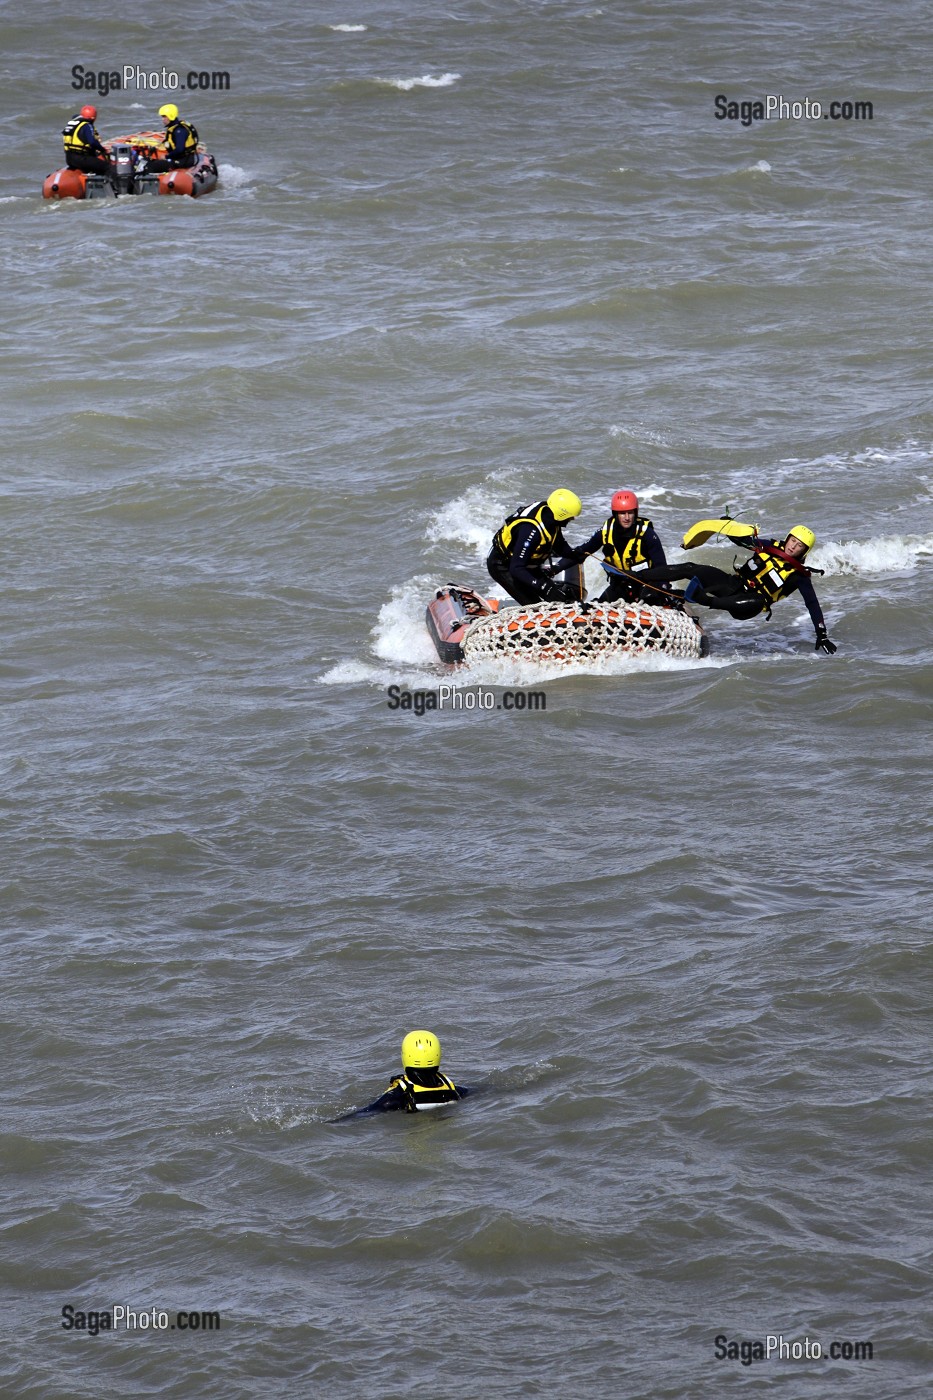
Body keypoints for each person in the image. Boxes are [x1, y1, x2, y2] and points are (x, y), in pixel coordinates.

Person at [640, 524, 838, 652]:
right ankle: (638, 576)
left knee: (759, 600)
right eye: (793, 541)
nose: (793, 547)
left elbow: (812, 604)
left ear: (805, 552)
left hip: (747, 605)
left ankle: (702, 598)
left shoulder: (799, 576)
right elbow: (745, 541)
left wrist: (822, 634)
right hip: (733, 585)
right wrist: (729, 528)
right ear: (788, 538)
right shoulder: (770, 546)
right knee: (691, 568)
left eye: (799, 546)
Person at [335, 1030, 470, 1119]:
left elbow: (363, 1114)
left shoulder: (397, 1097)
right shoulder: (453, 1089)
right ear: (437, 1055)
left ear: (406, 1056)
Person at [570, 489, 668, 602]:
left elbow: (662, 568)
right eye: (622, 513)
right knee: (598, 606)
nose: (627, 517)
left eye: (630, 513)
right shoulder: (605, 532)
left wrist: (661, 589)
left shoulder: (648, 534)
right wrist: (556, 567)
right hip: (620, 587)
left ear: (635, 513)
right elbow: (581, 552)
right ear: (615, 514)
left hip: (646, 586)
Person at [487, 489, 582, 604]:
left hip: (527, 564)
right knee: (534, 605)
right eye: (571, 516)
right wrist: (543, 587)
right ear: (561, 513)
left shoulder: (551, 520)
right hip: (503, 565)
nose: (572, 519)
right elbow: (516, 568)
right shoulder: (531, 531)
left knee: (559, 599)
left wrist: (580, 553)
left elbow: (561, 547)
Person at [146, 103, 200, 171]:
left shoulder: (179, 131)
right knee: (151, 161)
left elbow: (180, 149)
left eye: (164, 116)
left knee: (151, 166)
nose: (162, 119)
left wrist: (166, 156)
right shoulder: (175, 128)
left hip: (184, 161)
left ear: (170, 116)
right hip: (182, 158)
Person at [62, 105, 111, 176]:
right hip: (81, 159)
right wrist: (102, 149)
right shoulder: (86, 126)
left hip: (69, 158)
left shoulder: (73, 124)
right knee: (108, 167)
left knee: (94, 163)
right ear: (93, 118)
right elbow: (92, 142)